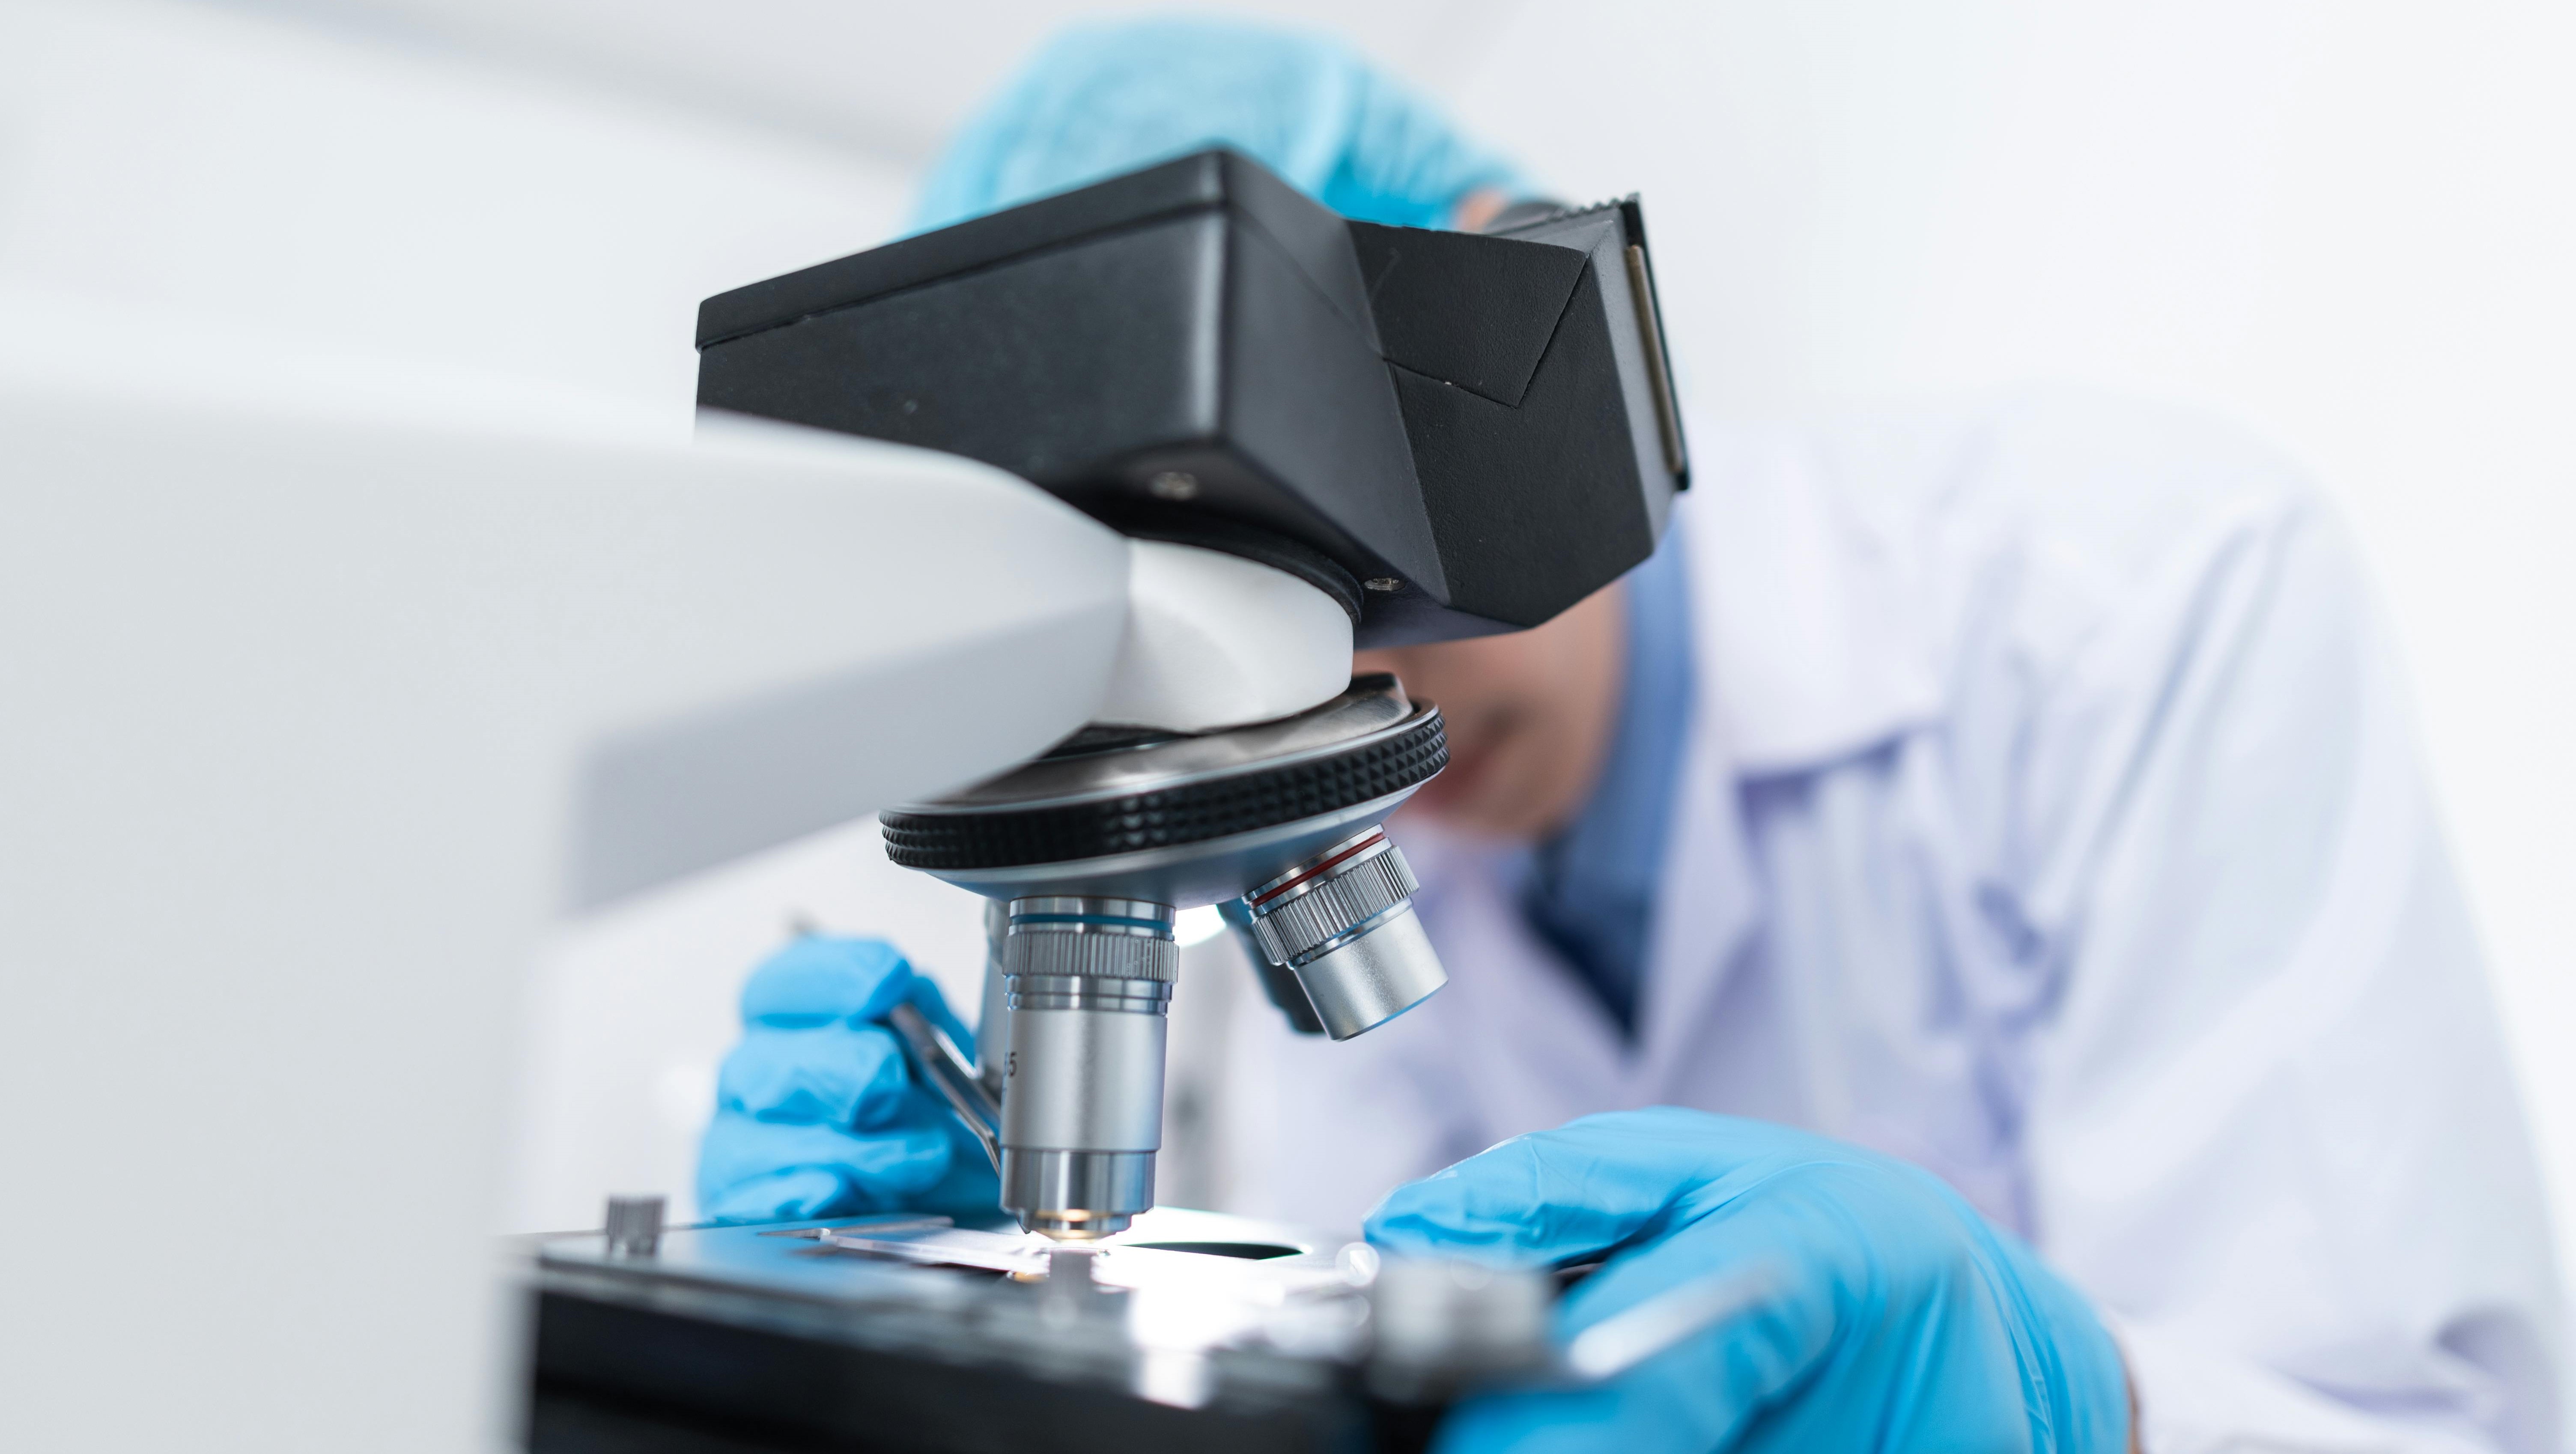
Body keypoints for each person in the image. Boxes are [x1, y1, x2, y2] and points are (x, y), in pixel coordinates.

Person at [696, 18, 2561, 1452]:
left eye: (1335, 616)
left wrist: (2062, 1403)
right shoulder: (1365, 843)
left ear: (1525, 346)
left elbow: (2430, 1432)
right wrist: (966, 1318)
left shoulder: (2133, 598)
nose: (1366, 712)